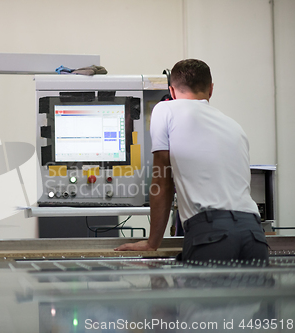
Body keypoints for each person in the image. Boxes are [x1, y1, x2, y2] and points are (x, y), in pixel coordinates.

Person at [115, 59, 269, 264]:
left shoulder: (165, 110)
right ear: (211, 89)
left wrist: (152, 243)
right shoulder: (234, 126)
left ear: (171, 90)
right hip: (254, 234)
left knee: (199, 296)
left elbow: (162, 181)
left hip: (211, 234)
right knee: (251, 297)